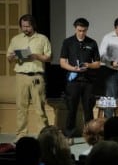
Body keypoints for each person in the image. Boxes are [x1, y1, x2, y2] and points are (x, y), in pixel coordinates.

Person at [6, 14, 51, 142]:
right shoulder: (16, 39)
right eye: (23, 26)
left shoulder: (42, 39)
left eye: (28, 26)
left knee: (39, 108)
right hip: (21, 76)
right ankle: (21, 135)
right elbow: (9, 58)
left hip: (37, 76)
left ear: (33, 25)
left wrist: (36, 56)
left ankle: (43, 135)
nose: (25, 29)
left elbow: (48, 57)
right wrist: (13, 56)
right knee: (21, 108)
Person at [60, 17, 101, 145]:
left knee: (88, 109)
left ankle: (91, 136)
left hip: (88, 81)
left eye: (84, 30)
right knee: (71, 108)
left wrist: (88, 65)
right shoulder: (68, 42)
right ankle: (69, 135)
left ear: (87, 29)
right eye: (79, 30)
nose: (81, 33)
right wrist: (73, 68)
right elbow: (62, 62)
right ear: (75, 28)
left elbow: (98, 63)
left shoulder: (92, 43)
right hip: (73, 81)